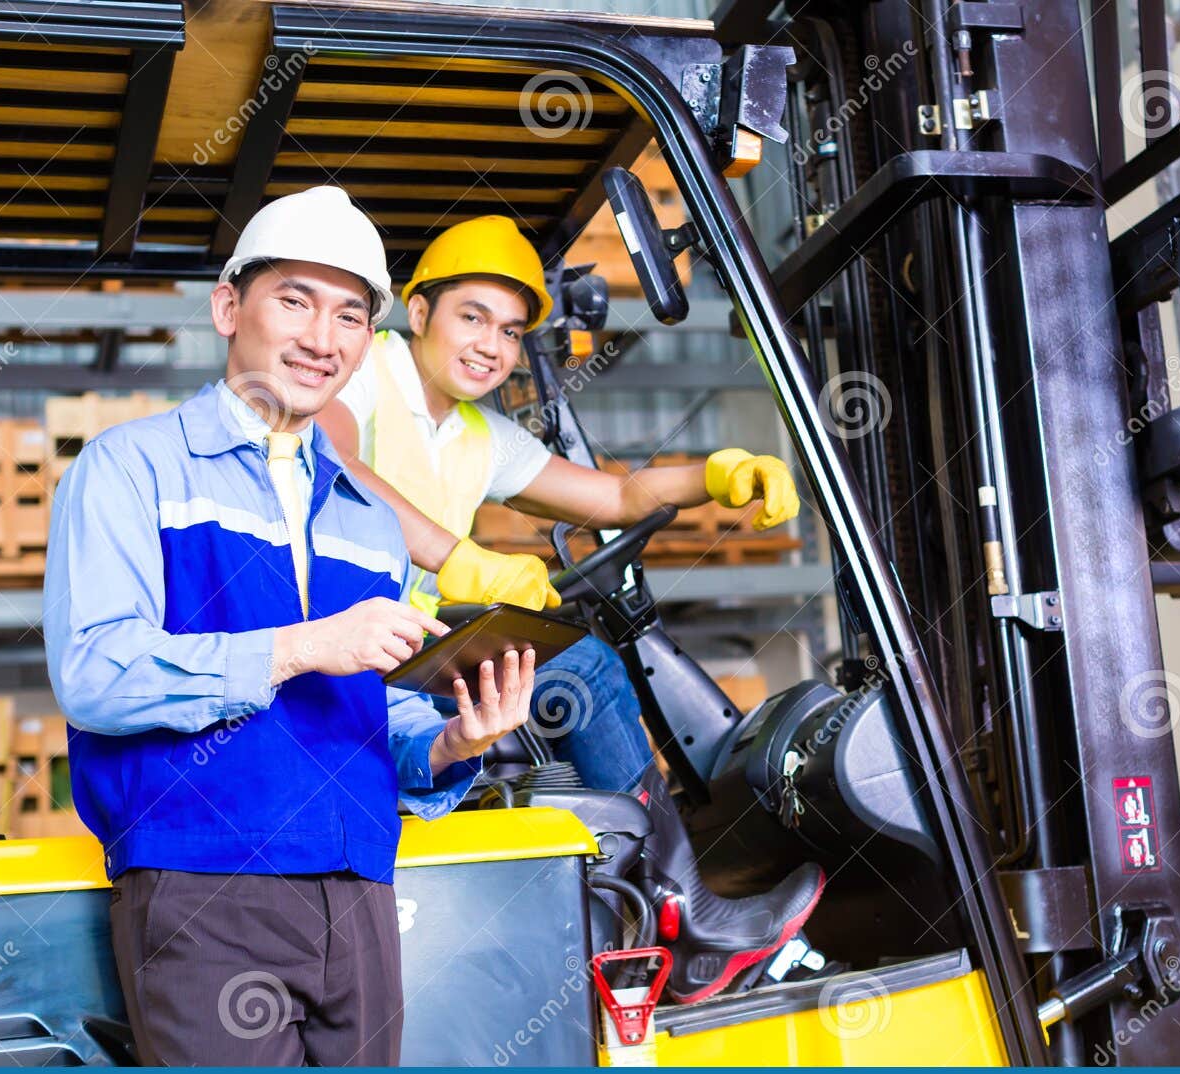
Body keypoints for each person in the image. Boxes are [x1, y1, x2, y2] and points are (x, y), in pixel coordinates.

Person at [43, 186, 535, 1066]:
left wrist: (457, 740)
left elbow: (363, 708)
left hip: (358, 889)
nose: (322, 337)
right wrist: (303, 645)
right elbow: (95, 672)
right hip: (203, 883)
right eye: (295, 300)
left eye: (350, 314)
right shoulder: (131, 469)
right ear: (229, 306)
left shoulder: (368, 518)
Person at [317, 215, 823, 1005]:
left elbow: (617, 495)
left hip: (410, 647)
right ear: (418, 314)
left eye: (512, 331)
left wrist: (721, 474)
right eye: (472, 317)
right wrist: (457, 555)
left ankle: (643, 902)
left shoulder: (481, 434)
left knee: (568, 656)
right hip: (343, 652)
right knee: (581, 662)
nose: (492, 344)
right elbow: (335, 458)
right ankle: (682, 913)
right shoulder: (363, 374)